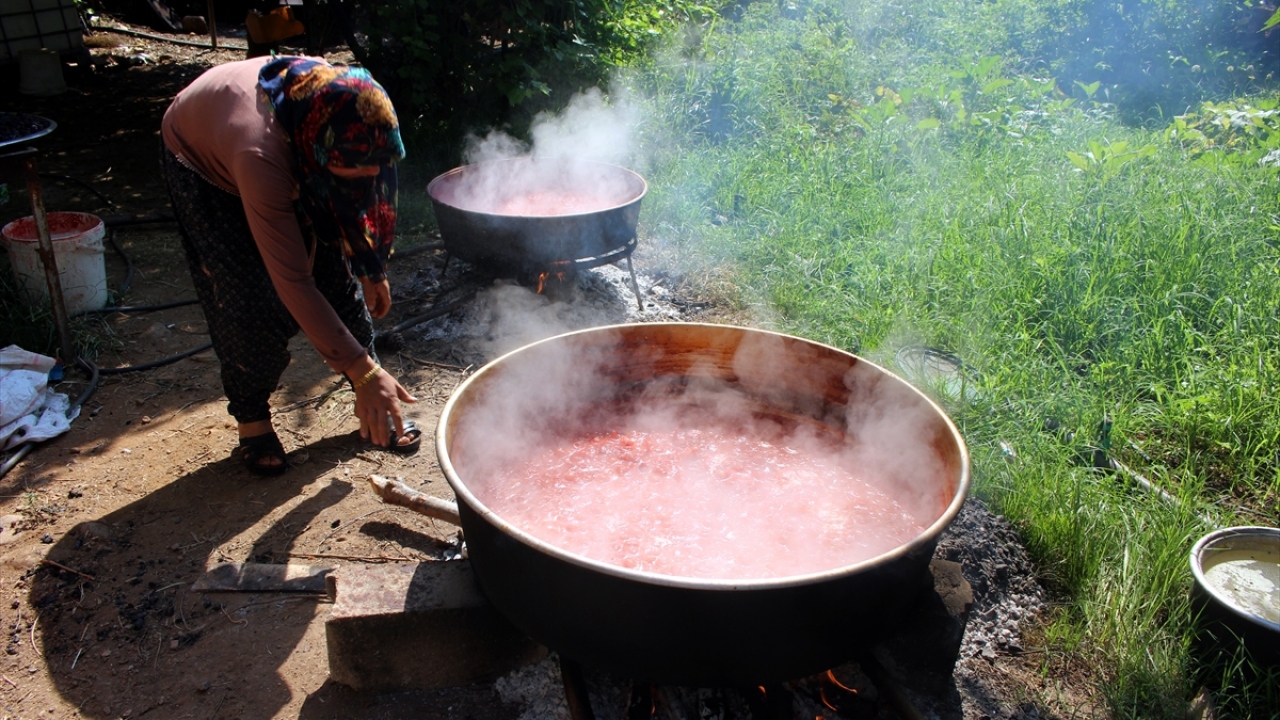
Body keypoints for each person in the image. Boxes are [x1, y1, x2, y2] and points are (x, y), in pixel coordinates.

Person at [159, 55, 418, 476]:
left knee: (336, 277)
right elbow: (292, 279)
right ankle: (253, 420)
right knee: (247, 296)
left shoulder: (346, 113)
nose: (368, 176)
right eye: (353, 166)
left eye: (377, 164)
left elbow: (363, 198)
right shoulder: (260, 155)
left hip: (282, 147)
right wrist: (363, 369)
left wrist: (371, 266)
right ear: (318, 146)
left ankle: (371, 397)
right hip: (205, 160)